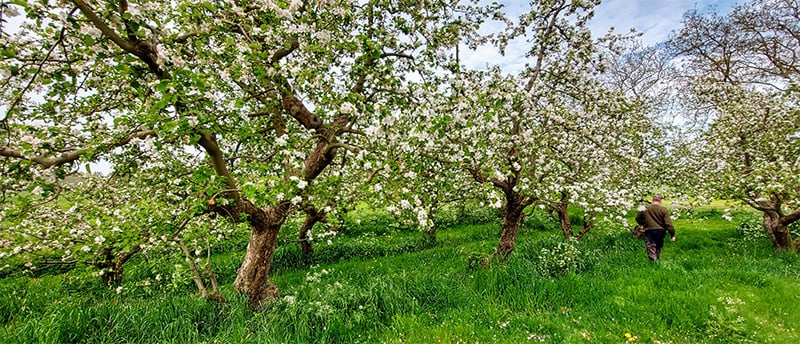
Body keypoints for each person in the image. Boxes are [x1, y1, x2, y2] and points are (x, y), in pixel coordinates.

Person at [635, 194, 676, 260]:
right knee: (658, 247)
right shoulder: (664, 210)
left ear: (652, 200)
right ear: (660, 201)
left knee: (651, 246)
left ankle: (653, 261)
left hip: (649, 230)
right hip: (661, 231)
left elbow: (638, 219)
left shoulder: (645, 209)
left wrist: (644, 224)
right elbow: (668, 224)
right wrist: (672, 235)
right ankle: (656, 261)